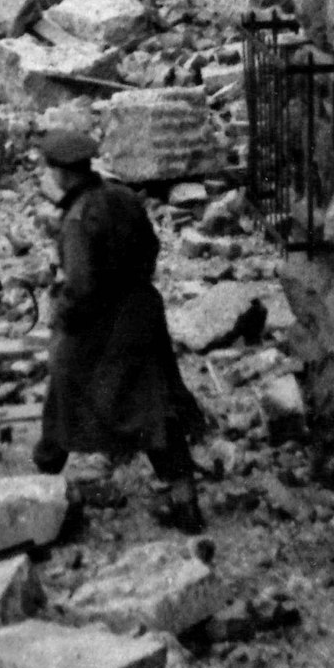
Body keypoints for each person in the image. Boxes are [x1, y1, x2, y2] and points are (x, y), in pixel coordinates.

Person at [32, 114, 205, 527]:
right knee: (155, 406)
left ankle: (39, 491)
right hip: (143, 313)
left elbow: (81, 286)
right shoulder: (121, 197)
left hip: (99, 325)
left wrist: (61, 315)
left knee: (63, 387)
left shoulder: (77, 219)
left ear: (60, 173)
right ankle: (185, 501)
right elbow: (151, 244)